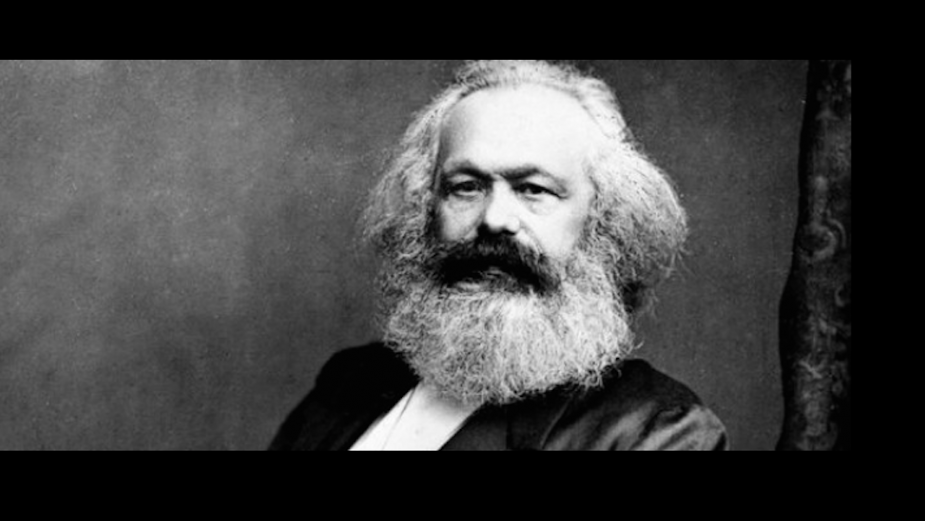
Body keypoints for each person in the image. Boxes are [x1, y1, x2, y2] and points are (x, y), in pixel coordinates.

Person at [269, 60, 728, 450]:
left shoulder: (654, 431)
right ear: (425, 210)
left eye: (534, 189)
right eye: (466, 187)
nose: (494, 219)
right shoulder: (349, 383)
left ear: (604, 221)